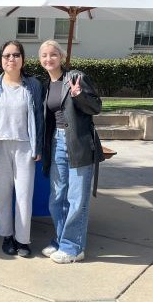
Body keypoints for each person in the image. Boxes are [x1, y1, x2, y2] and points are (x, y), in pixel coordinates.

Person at [39, 39, 104, 264]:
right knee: (57, 197)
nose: (49, 59)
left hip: (78, 143)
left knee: (77, 198)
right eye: (44, 55)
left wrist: (79, 96)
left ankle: (73, 247)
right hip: (56, 143)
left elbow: (96, 107)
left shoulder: (75, 77)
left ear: (62, 57)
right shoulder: (47, 84)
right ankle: (60, 239)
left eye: (53, 54)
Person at [0, 40, 43, 257]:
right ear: (1, 60)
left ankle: (22, 240)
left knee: (24, 195)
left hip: (25, 146)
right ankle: (6, 235)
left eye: (16, 55)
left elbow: (39, 118)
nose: (11, 59)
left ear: (23, 59)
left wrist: (39, 145)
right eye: (6, 55)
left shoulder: (33, 85)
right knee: (1, 195)